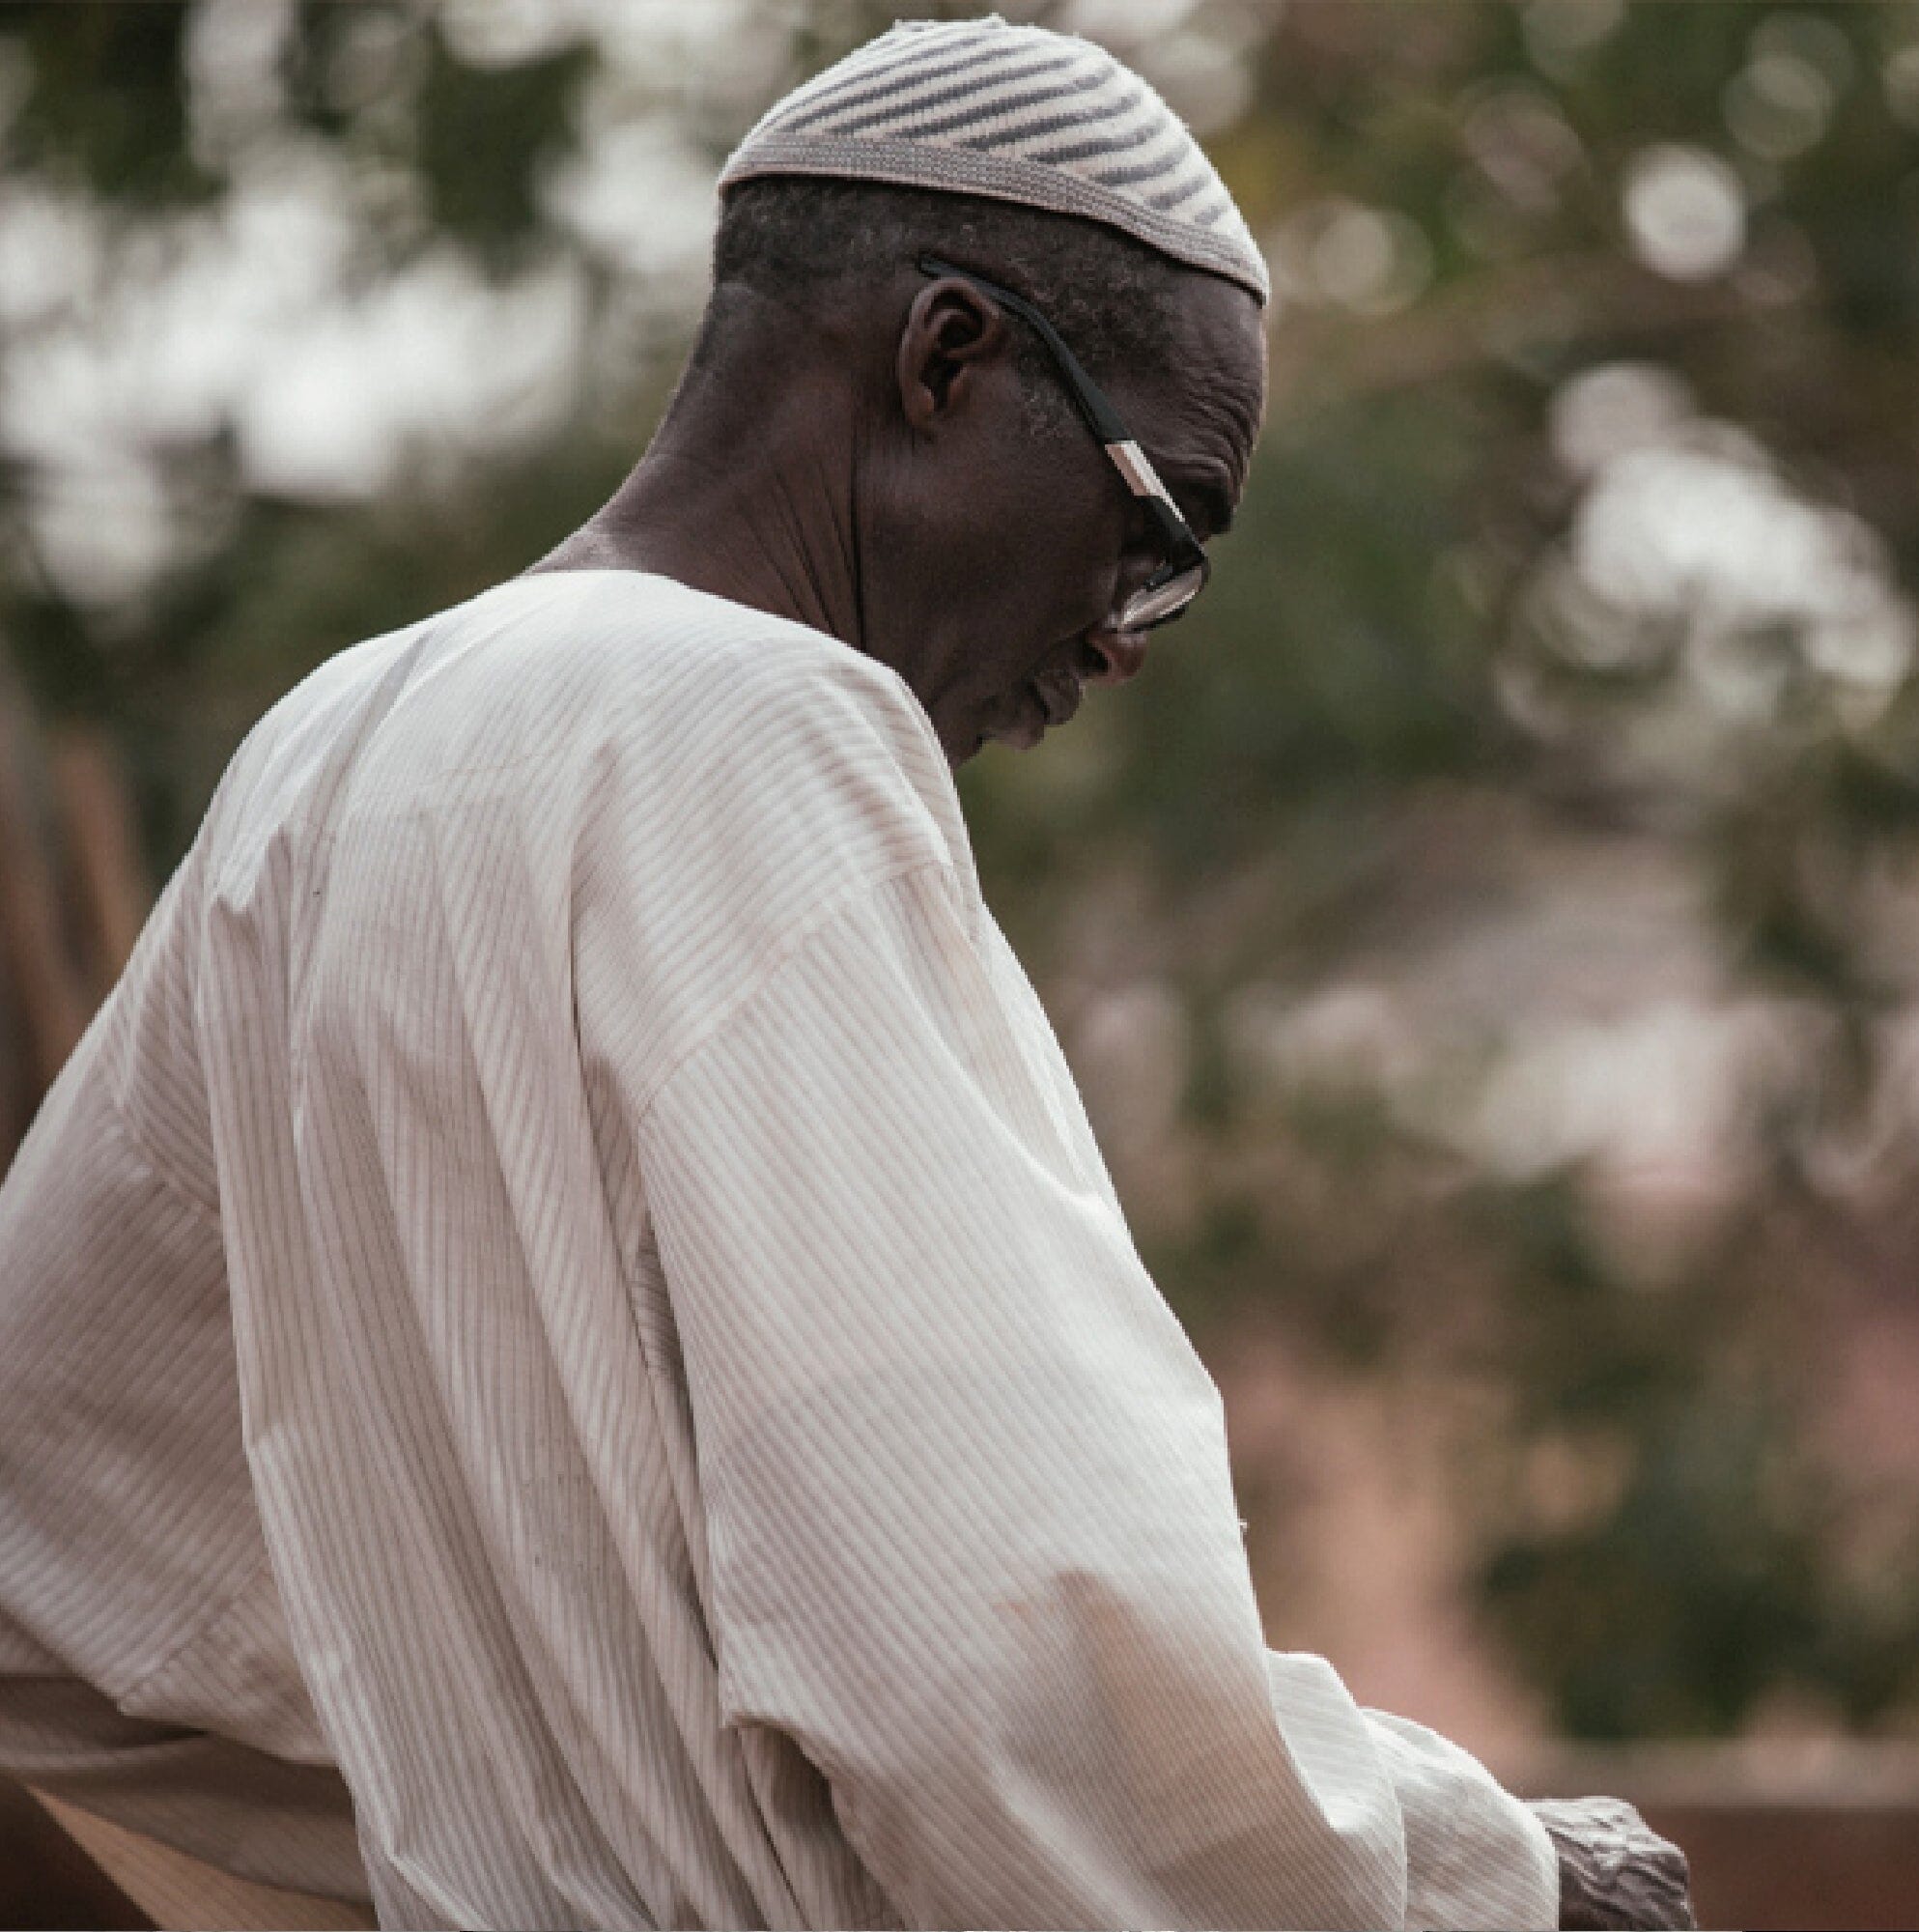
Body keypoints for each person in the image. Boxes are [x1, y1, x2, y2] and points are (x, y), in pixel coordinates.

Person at [0, 15, 1693, 1930]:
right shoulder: (751, 729)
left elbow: (44, 1558)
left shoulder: (329, 750)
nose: (1129, 636)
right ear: (947, 357)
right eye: (1157, 530)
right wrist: (1496, 1878)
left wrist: (495, 1821)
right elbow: (1003, 1642)